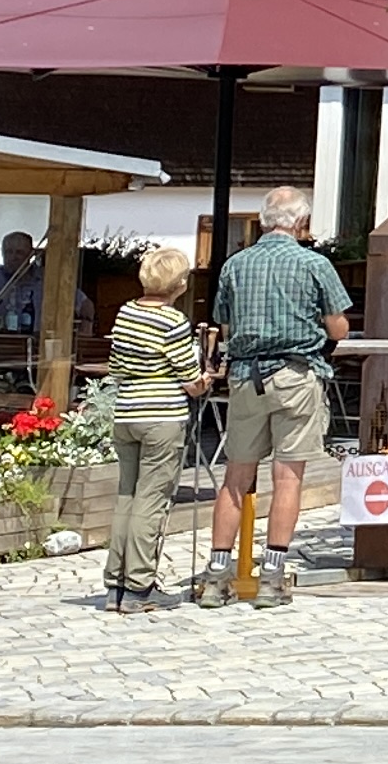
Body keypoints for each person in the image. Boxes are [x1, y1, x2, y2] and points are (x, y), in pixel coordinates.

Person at [191, 188, 346, 609]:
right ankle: (273, 577)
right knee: (287, 478)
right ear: (299, 222)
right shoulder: (315, 264)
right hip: (296, 374)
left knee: (235, 478)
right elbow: (338, 328)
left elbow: (222, 322)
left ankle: (216, 576)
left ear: (263, 221)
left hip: (245, 375)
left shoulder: (235, 265)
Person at [99, 246, 203, 613]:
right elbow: (190, 380)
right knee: (151, 500)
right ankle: (141, 585)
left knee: (126, 495)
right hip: (161, 414)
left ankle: (116, 583)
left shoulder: (126, 312)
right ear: (179, 284)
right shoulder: (173, 322)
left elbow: (116, 365)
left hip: (127, 412)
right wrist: (205, 379)